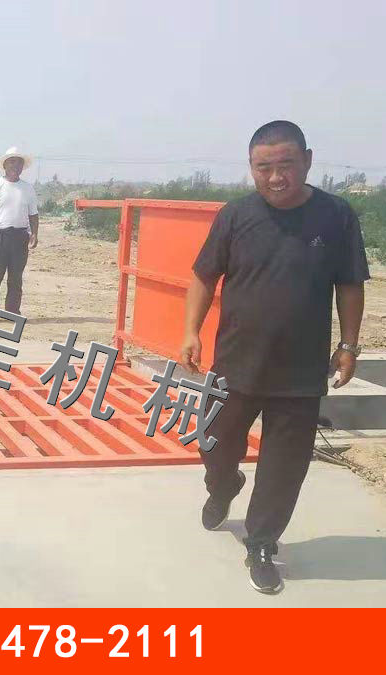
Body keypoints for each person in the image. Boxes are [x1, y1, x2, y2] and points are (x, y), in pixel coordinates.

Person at [181, 120, 369, 594]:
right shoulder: (235, 216)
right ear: (251, 168)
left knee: (285, 465)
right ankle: (223, 485)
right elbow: (204, 276)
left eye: (286, 165)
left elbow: (350, 283)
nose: (276, 177)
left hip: (300, 370)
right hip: (235, 362)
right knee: (213, 443)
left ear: (308, 160)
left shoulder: (336, 215)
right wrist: (190, 332)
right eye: (263, 167)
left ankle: (262, 543)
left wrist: (348, 345)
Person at [0, 146, 39, 318]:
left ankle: (12, 312)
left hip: (20, 238)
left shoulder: (28, 189)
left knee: (16, 278)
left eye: (19, 163)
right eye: (12, 162)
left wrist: (34, 234)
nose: (15, 166)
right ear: (5, 165)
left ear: (22, 167)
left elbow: (33, 214)